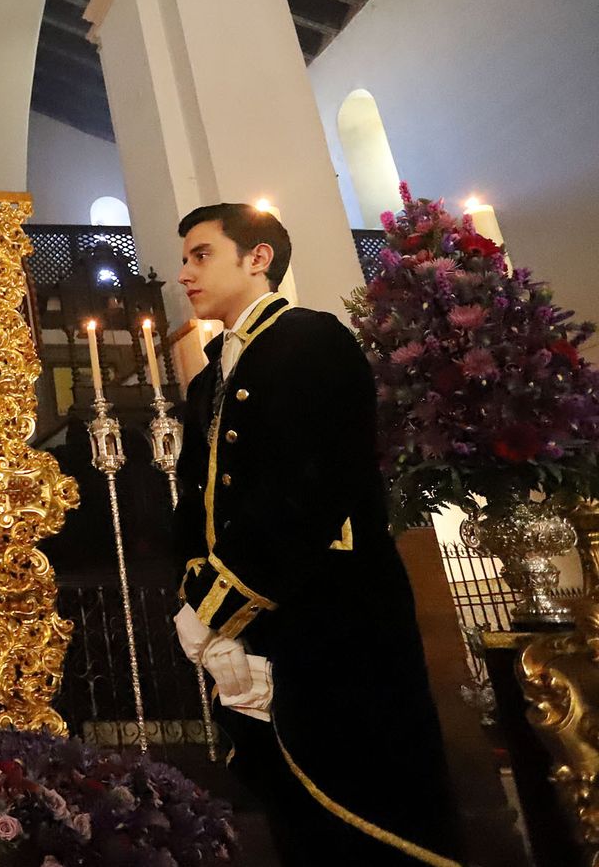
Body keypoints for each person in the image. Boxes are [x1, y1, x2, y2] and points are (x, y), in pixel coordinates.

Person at [170, 203, 460, 866]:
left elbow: (310, 492)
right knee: (291, 812)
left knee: (360, 805)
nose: (184, 271)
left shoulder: (310, 341)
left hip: (330, 620)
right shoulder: (211, 375)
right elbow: (197, 499)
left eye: (200, 253)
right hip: (256, 627)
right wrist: (204, 611)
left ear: (258, 257)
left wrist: (216, 608)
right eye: (184, 257)